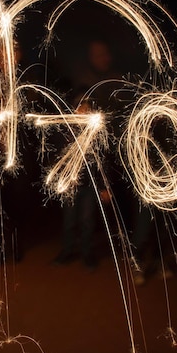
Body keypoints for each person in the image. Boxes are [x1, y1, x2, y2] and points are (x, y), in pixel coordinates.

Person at [51, 93, 110, 271]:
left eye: (87, 109)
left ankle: (87, 253)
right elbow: (57, 157)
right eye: (80, 108)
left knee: (87, 221)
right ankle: (67, 251)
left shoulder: (95, 134)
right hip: (70, 185)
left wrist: (103, 187)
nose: (83, 112)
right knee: (69, 221)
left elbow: (102, 162)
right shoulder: (66, 132)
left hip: (89, 186)